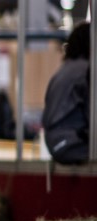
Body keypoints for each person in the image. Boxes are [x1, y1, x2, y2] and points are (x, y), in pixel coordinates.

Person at [42, 21, 91, 164]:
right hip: (71, 144)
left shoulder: (63, 71)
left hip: (55, 144)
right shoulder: (86, 71)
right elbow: (92, 114)